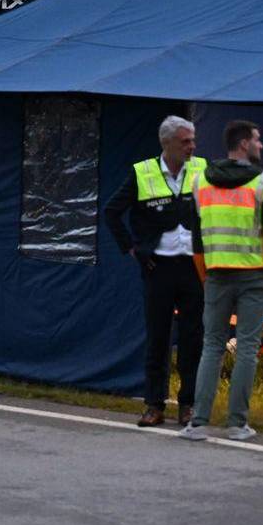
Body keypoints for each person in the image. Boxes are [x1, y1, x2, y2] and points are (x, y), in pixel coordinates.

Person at [183, 119, 263, 443]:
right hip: (254, 275)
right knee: (247, 348)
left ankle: (197, 422)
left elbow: (197, 239)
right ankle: (236, 424)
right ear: (244, 144)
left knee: (212, 346)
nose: (261, 145)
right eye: (257, 140)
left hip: (216, 274)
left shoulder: (201, 181)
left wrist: (206, 275)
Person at [103, 115, 206, 428]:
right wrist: (132, 249)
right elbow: (111, 211)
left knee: (192, 337)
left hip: (193, 265)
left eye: (192, 140)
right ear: (167, 143)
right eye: (185, 141)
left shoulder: (203, 169)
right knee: (158, 336)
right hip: (157, 265)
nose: (191, 146)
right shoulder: (143, 172)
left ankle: (187, 404)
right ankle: (154, 404)